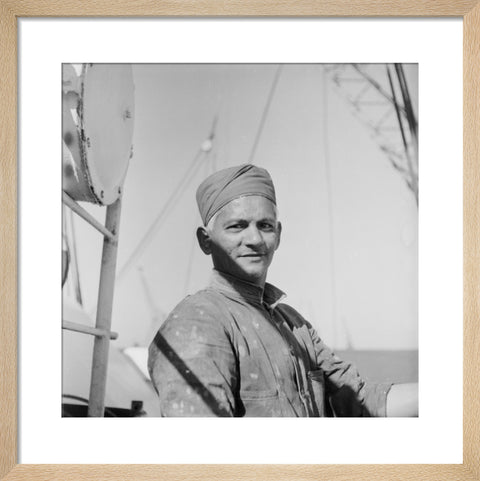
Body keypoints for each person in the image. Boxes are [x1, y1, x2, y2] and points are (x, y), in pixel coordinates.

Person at [148, 164, 418, 417]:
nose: (254, 239)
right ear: (206, 241)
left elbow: (358, 400)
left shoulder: (293, 324)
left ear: (278, 235)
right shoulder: (199, 321)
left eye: (264, 226)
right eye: (237, 226)